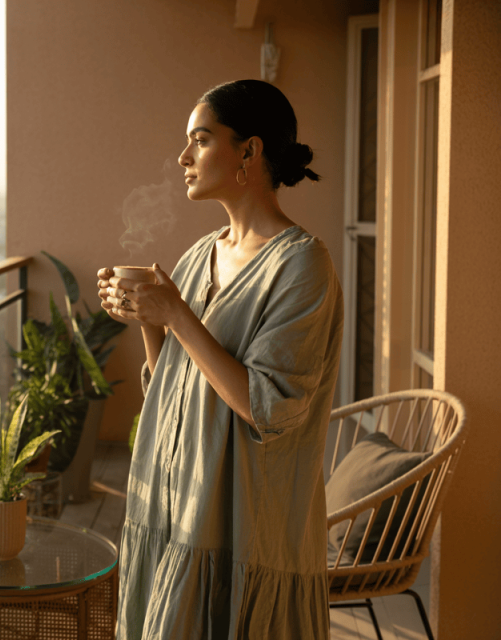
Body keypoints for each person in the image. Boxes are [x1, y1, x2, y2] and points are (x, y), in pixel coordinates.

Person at [98, 80, 344, 639]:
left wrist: (178, 314)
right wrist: (148, 318)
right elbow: (171, 386)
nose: (184, 158)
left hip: (241, 524)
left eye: (201, 140)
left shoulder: (302, 266)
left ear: (250, 152)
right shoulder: (197, 255)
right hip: (174, 504)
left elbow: (267, 408)